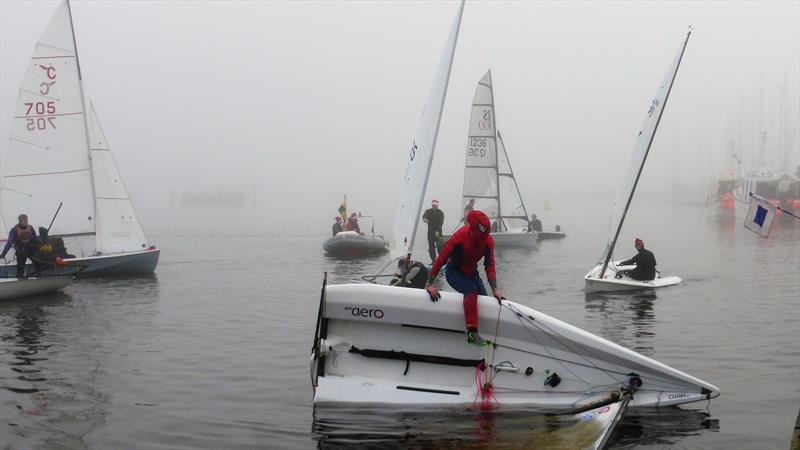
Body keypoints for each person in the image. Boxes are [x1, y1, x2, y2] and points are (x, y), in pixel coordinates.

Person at [425, 210, 504, 346]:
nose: (481, 238)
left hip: (472, 273)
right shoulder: (460, 236)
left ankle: (490, 337)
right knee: (471, 291)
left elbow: (489, 265)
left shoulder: (488, 241)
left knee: (485, 300)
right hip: (454, 272)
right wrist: (429, 284)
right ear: (472, 228)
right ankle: (472, 333)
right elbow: (441, 259)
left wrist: (495, 290)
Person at [0, 214, 39, 278]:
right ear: (20, 221)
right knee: (20, 267)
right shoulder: (14, 230)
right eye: (24, 221)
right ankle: (20, 278)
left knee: (38, 262)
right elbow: (9, 243)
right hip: (21, 251)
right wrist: (4, 253)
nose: (26, 222)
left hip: (30, 250)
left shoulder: (30, 228)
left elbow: (35, 238)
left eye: (26, 220)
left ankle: (39, 276)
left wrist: (41, 241)